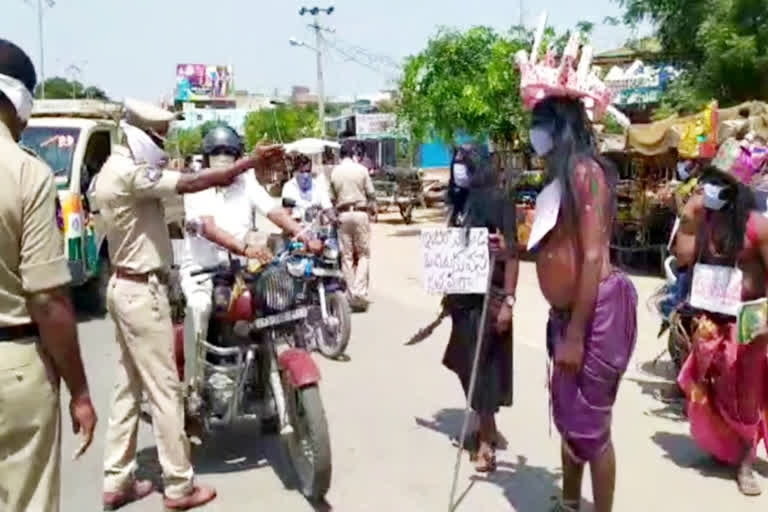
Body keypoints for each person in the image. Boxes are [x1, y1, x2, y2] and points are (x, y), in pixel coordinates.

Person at [91, 99, 285, 511]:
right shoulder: (134, 174)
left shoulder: (110, 171)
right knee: (165, 391)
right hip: (145, 289)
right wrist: (248, 162)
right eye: (159, 137)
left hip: (123, 285)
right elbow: (194, 190)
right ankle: (179, 486)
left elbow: (265, 208)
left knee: (128, 387)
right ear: (142, 135)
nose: (163, 145)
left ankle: (116, 478)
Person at [0, 39, 97, 512]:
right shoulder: (26, 172)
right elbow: (49, 301)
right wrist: (79, 389)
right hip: (13, 369)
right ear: (19, 101)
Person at [531, 96, 636, 512]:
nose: (532, 133)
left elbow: (592, 255)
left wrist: (575, 333)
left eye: (538, 124)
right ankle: (571, 503)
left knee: (593, 428)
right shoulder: (559, 179)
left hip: (593, 317)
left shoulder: (585, 172)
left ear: (560, 128)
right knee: (571, 421)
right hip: (568, 316)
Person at [180, 125, 322, 390]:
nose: (223, 158)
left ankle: (263, 378)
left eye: (229, 153)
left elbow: (274, 211)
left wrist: (303, 236)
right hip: (202, 270)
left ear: (238, 157)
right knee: (199, 307)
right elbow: (208, 227)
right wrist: (244, 248)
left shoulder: (246, 183)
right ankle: (194, 387)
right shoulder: (197, 185)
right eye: (217, 153)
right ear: (207, 156)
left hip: (241, 270)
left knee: (272, 307)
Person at [675, 164, 768, 496]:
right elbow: (682, 257)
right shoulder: (706, 223)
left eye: (713, 185)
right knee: (711, 388)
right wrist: (688, 213)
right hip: (710, 318)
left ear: (731, 189)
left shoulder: (757, 226)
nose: (706, 190)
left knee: (747, 395)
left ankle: (745, 461)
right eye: (704, 185)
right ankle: (723, 448)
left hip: (749, 323)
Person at [442, 144, 519, 472]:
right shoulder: (459, 203)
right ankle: (484, 423)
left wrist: (509, 303)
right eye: (456, 163)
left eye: (465, 163)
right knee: (463, 362)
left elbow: (513, 253)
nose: (459, 169)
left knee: (483, 370)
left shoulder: (499, 200)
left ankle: (487, 441)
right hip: (462, 299)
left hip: (490, 296)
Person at [330, 140, 376, 311]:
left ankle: (351, 293)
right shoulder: (362, 170)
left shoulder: (335, 172)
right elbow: (371, 194)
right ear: (353, 153)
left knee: (347, 256)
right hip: (360, 212)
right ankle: (359, 290)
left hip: (343, 215)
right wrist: (373, 210)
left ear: (340, 155)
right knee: (364, 254)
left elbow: (332, 197)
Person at [281, 152, 333, 221]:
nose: (305, 175)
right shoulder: (288, 187)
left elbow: (328, 207)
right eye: (302, 172)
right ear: (295, 172)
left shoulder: (318, 185)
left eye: (308, 171)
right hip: (297, 227)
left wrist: (333, 218)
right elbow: (287, 212)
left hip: (316, 226)